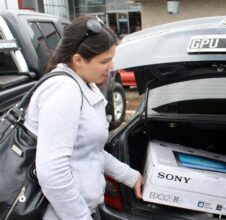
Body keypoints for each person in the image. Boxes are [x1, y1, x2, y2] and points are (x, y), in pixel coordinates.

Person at [24, 16, 143, 219]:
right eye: (104, 61)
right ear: (78, 60)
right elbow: (52, 172)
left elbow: (89, 150)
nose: (111, 66)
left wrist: (130, 176)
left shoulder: (84, 84)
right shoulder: (63, 91)